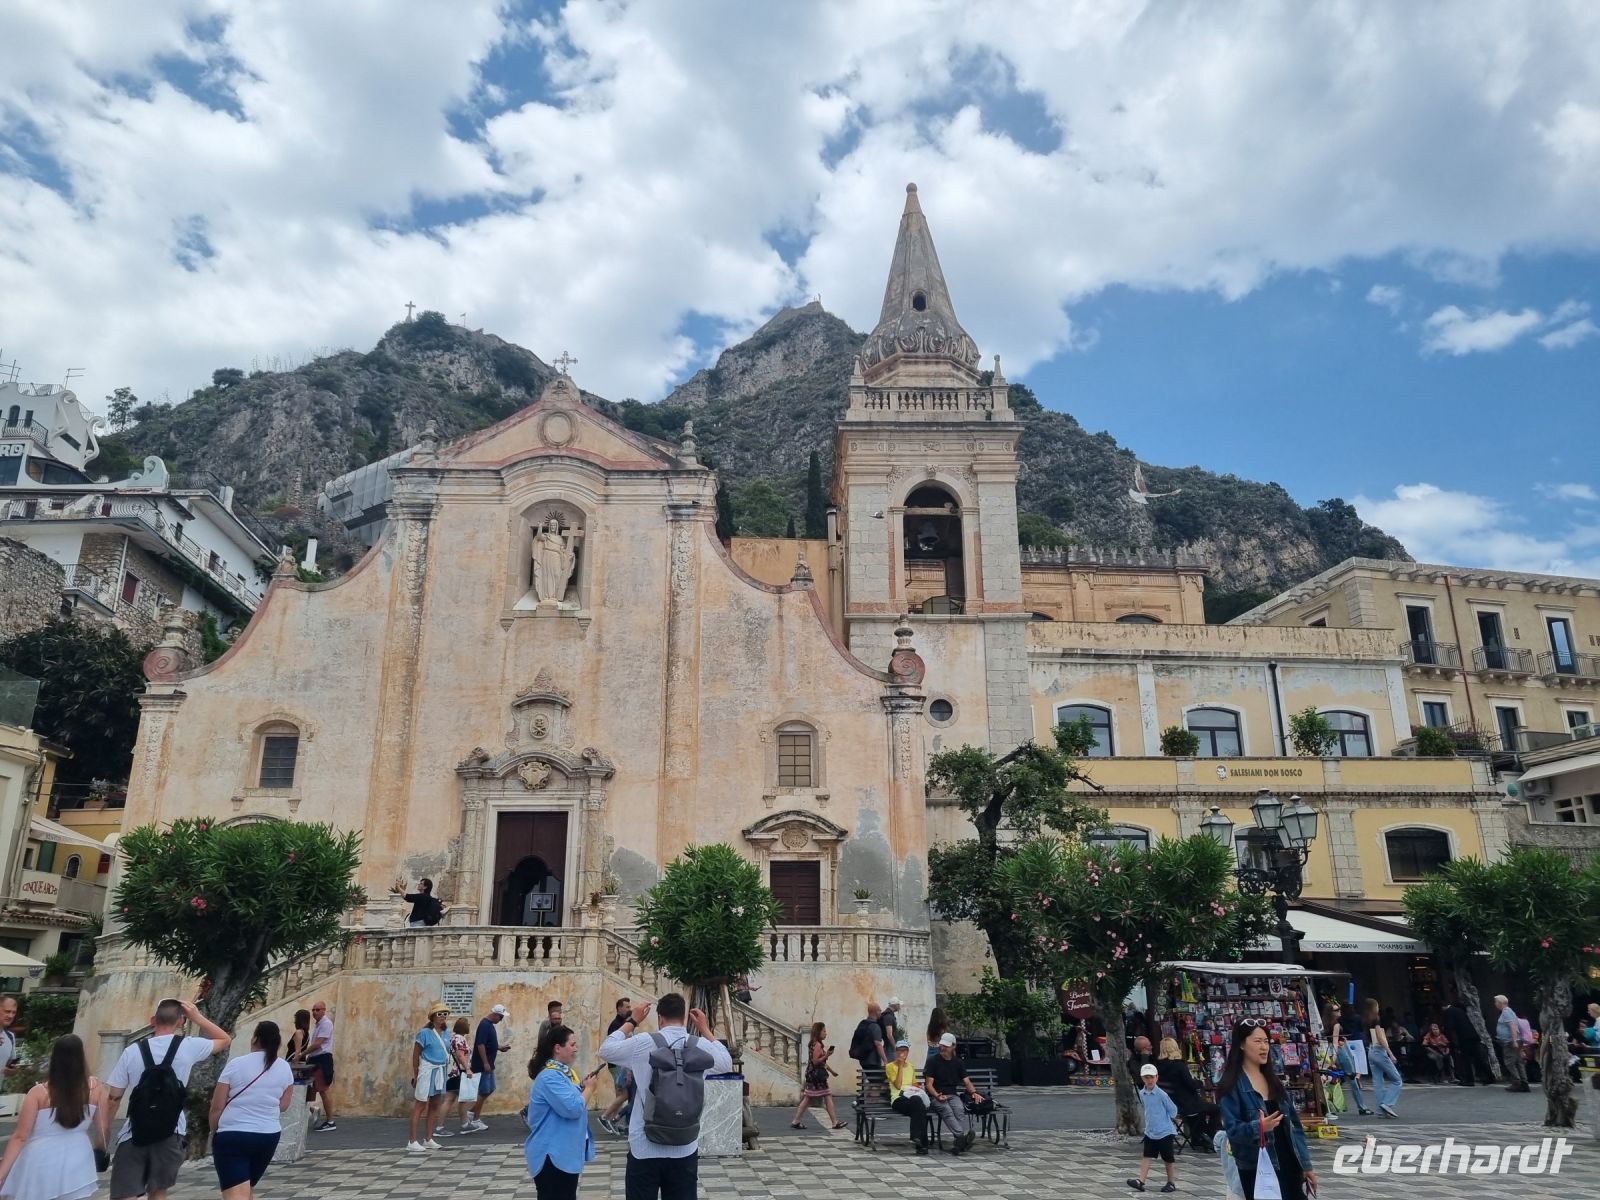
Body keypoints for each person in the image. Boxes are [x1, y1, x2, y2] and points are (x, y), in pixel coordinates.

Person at [598, 992, 733, 1200]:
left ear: (660, 1018)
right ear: (685, 1018)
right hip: (684, 1145)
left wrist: (633, 1020)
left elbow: (606, 1050)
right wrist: (705, 1029)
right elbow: (726, 1062)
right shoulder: (699, 1046)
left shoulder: (643, 1043)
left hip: (645, 1144)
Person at [103, 997, 231, 1200]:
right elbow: (224, 1040)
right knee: (159, 1191)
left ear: (153, 1020)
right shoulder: (189, 1046)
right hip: (172, 1131)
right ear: (181, 1021)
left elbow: (113, 1099)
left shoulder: (132, 1051)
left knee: (125, 1192)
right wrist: (197, 1017)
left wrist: (105, 1134)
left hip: (133, 1132)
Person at [1217, 1019, 1316, 1200]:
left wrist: (1306, 1165)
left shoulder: (1274, 1081)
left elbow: (1295, 1126)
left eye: (1266, 1041)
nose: (1264, 1047)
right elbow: (1232, 1130)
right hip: (1259, 1170)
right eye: (1257, 1041)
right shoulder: (1231, 1085)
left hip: (1289, 1165)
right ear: (1241, 1045)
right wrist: (1259, 1127)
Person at [0, 1033, 104, 1200]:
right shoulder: (95, 1087)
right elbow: (102, 1129)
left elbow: (20, 1136)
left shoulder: (38, 1093)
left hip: (40, 1160)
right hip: (79, 1157)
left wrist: (2, 1173)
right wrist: (101, 1150)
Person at [209, 1020, 295, 1200]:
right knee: (246, 1188)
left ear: (255, 1039)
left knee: (235, 1193)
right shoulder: (284, 1068)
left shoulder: (236, 1064)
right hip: (267, 1135)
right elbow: (284, 1105)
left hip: (233, 1134)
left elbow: (217, 1106)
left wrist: (215, 1132)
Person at [524, 1022, 600, 1200]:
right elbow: (572, 1108)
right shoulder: (551, 1076)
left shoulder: (562, 1073)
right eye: (572, 1044)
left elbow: (568, 1100)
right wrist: (589, 1089)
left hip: (563, 1153)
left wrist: (581, 1086)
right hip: (552, 1156)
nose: (576, 1048)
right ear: (558, 1048)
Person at [925, 1032, 985, 1155]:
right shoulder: (933, 1061)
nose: (943, 1048)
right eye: (942, 1045)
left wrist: (974, 1093)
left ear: (953, 1046)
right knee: (946, 1110)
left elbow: (966, 1081)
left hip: (952, 1094)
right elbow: (929, 1084)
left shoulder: (958, 1063)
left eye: (946, 1046)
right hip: (936, 1095)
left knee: (959, 1109)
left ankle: (959, 1144)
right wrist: (937, 1095)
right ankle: (961, 1136)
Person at [1127, 1063, 1179, 1192]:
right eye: (1146, 1077)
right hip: (1150, 1131)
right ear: (1142, 1078)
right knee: (1147, 1156)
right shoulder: (1142, 1093)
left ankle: (1171, 1182)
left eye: (1151, 1077)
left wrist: (1170, 1117)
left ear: (1156, 1077)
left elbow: (1173, 1110)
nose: (1149, 1080)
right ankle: (1141, 1181)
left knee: (1168, 1158)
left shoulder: (1162, 1095)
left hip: (1165, 1131)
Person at [408, 1003, 452, 1153]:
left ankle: (428, 1138)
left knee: (435, 1104)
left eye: (445, 1014)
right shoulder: (425, 1033)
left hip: (440, 1070)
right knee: (420, 1104)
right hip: (427, 1069)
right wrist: (416, 1073)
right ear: (433, 1016)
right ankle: (412, 1140)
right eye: (439, 1014)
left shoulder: (447, 1034)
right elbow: (416, 1054)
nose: (442, 1017)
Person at [1156, 1036, 1218, 1144]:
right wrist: (1201, 1083)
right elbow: (1191, 1084)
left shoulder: (1159, 1067)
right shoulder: (1179, 1066)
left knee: (1200, 1111)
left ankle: (1198, 1136)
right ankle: (1211, 1134)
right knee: (1216, 1109)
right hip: (1187, 1104)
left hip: (1173, 1103)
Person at [464, 1002, 509, 1132]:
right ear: (495, 1015)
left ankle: (472, 1113)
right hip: (484, 1064)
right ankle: (475, 1118)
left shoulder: (489, 1025)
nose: (501, 1020)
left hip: (489, 1062)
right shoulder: (484, 1025)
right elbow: (480, 1045)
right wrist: (485, 1062)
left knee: (489, 1089)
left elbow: (489, 1043)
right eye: (501, 1017)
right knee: (484, 1090)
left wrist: (499, 1047)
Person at [790, 1022, 843, 1130]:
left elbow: (821, 1062)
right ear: (818, 1032)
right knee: (826, 1095)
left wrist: (831, 1071)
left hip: (813, 1074)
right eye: (824, 1031)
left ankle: (796, 1120)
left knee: (808, 1097)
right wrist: (827, 1055)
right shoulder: (817, 1045)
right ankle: (834, 1122)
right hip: (816, 1076)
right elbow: (815, 1061)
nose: (826, 1033)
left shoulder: (814, 1044)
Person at [883, 1038, 930, 1154]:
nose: (902, 1053)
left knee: (918, 1102)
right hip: (898, 1098)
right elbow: (898, 1085)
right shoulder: (890, 1067)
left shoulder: (910, 1067)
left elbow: (914, 1083)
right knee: (919, 1106)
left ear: (908, 1052)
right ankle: (922, 1143)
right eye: (900, 1050)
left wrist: (919, 1088)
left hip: (912, 1097)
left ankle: (918, 1140)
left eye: (905, 1050)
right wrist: (899, 1066)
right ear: (896, 1051)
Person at [1326, 1002, 1372, 1115]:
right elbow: (1335, 1041)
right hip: (1340, 1050)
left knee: (1329, 1079)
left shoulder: (1326, 1023)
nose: (1339, 1012)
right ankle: (1362, 1107)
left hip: (1330, 1049)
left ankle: (1330, 1106)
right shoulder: (1336, 1024)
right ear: (1331, 1013)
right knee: (1352, 1077)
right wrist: (1334, 1058)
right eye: (1336, 1010)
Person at [1362, 998, 1402, 1118]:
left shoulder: (1366, 1020)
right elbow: (1380, 1037)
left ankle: (1381, 1109)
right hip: (1379, 1050)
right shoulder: (1377, 1020)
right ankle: (1387, 1103)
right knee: (1397, 1080)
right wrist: (1390, 1052)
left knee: (1378, 1082)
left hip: (1371, 1050)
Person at [599, 997, 634, 1135]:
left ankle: (611, 1120)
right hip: (619, 1064)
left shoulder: (622, 1023)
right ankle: (605, 1117)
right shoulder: (616, 1025)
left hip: (618, 1064)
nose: (629, 1009)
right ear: (619, 1008)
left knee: (621, 1094)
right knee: (625, 1094)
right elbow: (618, 1047)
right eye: (626, 1007)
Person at [439, 1016, 475, 1136]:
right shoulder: (459, 1039)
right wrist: (468, 1069)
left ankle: (444, 1126)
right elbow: (460, 1055)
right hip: (458, 1073)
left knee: (454, 1099)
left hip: (453, 1073)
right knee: (459, 1099)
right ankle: (463, 1124)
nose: (469, 1026)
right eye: (468, 1024)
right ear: (464, 1027)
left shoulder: (454, 1037)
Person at [307, 1000, 337, 1130]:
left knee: (323, 1090)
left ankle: (330, 1121)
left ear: (324, 1010)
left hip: (322, 1059)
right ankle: (313, 1110)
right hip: (315, 1059)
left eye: (318, 1010)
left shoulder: (326, 1024)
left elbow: (318, 1044)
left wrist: (302, 1054)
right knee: (309, 1090)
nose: (314, 1012)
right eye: (313, 1010)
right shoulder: (319, 1024)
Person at [1441, 1001, 1484, 1086]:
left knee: (1466, 1060)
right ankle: (1488, 1077)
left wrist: (1446, 1034)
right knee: (1478, 1057)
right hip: (1473, 1035)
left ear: (1443, 1007)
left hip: (1464, 1038)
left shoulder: (1449, 1012)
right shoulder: (1459, 1010)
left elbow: (1450, 1026)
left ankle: (1469, 1080)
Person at [1493, 995, 1531, 1092]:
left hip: (1510, 1041)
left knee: (1509, 1062)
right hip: (1515, 1040)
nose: (1495, 1004)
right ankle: (1524, 1082)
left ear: (1500, 1003)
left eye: (1496, 1002)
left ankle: (1517, 1082)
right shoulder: (1509, 1011)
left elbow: (1512, 1026)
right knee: (1518, 1062)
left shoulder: (1506, 1012)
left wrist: (1514, 1040)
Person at [850, 1002, 887, 1071]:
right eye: (879, 1010)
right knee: (883, 1079)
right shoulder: (875, 1026)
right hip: (873, 1061)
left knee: (873, 1080)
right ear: (876, 1012)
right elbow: (878, 1044)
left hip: (863, 1060)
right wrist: (885, 1060)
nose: (881, 1012)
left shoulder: (862, 1024)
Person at [0, 996, 18, 1081]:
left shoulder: (10, 1037)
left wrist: (12, 1071)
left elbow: (10, 1067)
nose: (10, 1016)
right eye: (7, 1011)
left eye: (13, 1012)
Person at [925, 1007, 948, 1071]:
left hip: (931, 1049)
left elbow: (928, 1039)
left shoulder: (930, 1026)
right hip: (940, 1049)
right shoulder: (942, 1027)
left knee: (929, 1070)